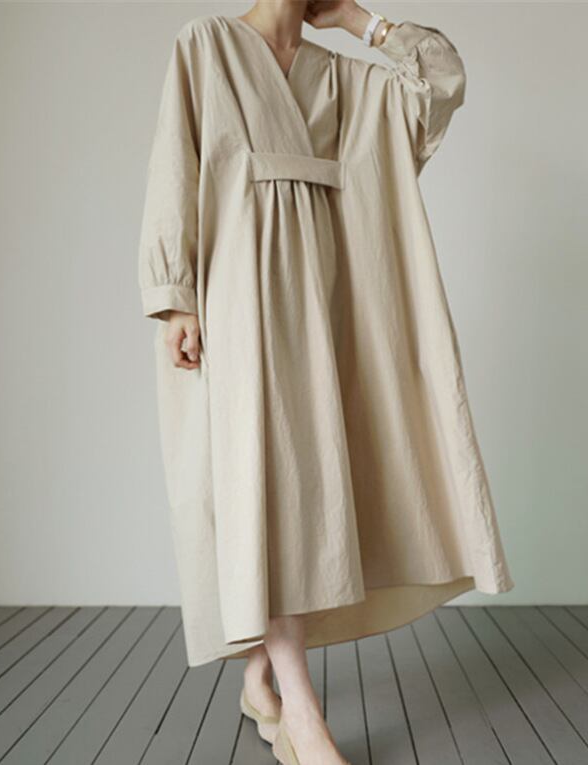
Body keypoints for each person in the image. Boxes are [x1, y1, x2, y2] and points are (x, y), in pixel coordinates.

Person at [137, 1, 515, 763]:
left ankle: (260, 680)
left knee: (303, 494)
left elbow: (441, 79)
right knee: (266, 487)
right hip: (240, 293)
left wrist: (357, 21)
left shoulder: (339, 76)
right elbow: (176, 164)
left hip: (328, 295)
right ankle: (301, 713)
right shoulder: (207, 44)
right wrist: (175, 296)